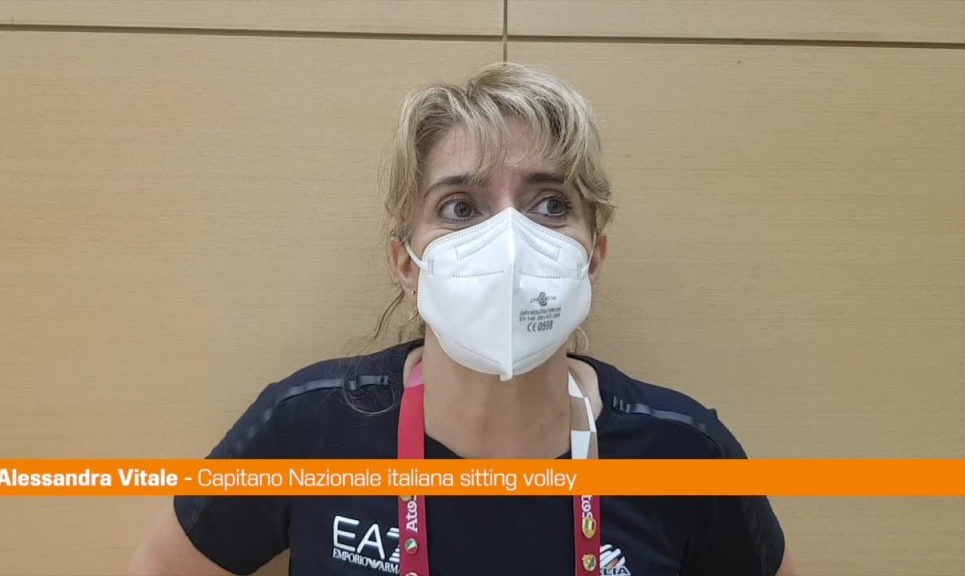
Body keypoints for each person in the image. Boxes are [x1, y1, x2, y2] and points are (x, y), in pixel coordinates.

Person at [129, 63, 794, 576]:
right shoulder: (308, 426)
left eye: (551, 204)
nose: (510, 241)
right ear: (408, 263)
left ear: (592, 255)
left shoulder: (682, 449)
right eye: (460, 208)